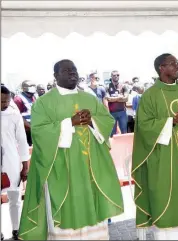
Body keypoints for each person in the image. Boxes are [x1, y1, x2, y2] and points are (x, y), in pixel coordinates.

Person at [18, 59, 124, 240]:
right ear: (55, 76)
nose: (72, 73)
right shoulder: (44, 103)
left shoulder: (89, 98)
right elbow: (39, 132)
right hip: (62, 166)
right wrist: (70, 123)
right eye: (66, 70)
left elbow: (107, 120)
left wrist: (92, 121)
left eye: (74, 69)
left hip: (91, 166)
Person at [131, 53, 178, 240]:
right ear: (161, 68)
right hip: (163, 156)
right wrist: (171, 121)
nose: (177, 67)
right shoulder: (150, 95)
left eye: (177, 64)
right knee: (166, 197)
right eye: (172, 64)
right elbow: (144, 126)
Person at [1, 86, 30, 240]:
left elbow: (22, 141)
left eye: (6, 100)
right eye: (1, 101)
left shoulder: (14, 114)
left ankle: (17, 229)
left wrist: (25, 166)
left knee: (14, 197)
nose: (4, 104)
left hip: (11, 162)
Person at [105, 70, 129, 136]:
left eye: (117, 75)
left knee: (124, 132)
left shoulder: (124, 86)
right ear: (111, 76)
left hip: (122, 112)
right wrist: (120, 97)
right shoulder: (107, 86)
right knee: (112, 133)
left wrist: (114, 99)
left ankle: (125, 146)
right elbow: (108, 99)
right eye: (114, 75)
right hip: (112, 113)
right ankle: (113, 146)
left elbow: (126, 99)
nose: (116, 76)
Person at [13, 80, 37, 146]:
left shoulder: (34, 97)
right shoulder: (18, 99)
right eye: (30, 86)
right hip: (25, 130)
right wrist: (30, 126)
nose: (33, 87)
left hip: (34, 128)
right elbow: (18, 116)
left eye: (33, 85)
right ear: (23, 88)